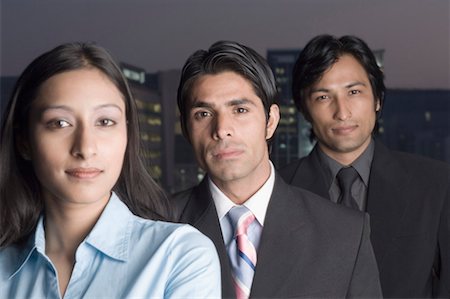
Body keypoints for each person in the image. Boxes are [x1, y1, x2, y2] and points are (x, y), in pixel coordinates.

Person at [0, 42, 221, 298]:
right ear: (24, 141)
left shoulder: (178, 255)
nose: (85, 147)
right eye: (60, 123)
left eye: (105, 122)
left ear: (126, 133)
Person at [173, 40, 382, 298]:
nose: (222, 129)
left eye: (240, 110)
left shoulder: (344, 233)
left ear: (270, 121)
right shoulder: (154, 225)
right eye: (203, 114)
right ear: (185, 128)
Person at [280, 34, 450, 298]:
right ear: (303, 108)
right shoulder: (276, 192)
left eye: (354, 92)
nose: (342, 112)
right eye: (324, 97)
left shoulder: (435, 184)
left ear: (378, 99)